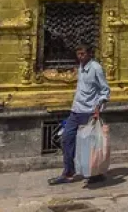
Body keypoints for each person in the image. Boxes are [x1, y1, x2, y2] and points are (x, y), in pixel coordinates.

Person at [48, 45, 109, 185]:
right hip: (76, 110)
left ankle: (94, 172)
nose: (80, 57)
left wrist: (98, 107)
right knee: (66, 138)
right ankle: (69, 172)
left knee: (89, 145)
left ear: (89, 54)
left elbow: (104, 90)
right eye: (78, 54)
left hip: (89, 112)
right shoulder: (81, 67)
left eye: (83, 54)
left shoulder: (96, 68)